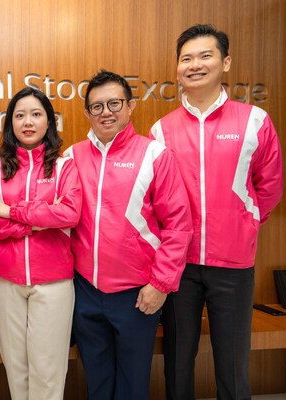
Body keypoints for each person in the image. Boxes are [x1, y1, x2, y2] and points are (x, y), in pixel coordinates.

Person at [150, 24, 284, 400]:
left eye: (205, 56)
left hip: (234, 263)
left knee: (233, 361)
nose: (195, 65)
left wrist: (247, 221)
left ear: (225, 63)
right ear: (177, 68)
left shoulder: (254, 121)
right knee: (178, 359)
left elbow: (269, 186)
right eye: (186, 58)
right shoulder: (161, 130)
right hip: (180, 264)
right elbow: (156, 198)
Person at [65, 70, 193, 400]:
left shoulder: (155, 155)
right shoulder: (71, 157)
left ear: (130, 106)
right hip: (85, 290)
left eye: (114, 103)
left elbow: (178, 225)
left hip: (138, 294)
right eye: (97, 106)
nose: (106, 112)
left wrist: (160, 285)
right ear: (86, 113)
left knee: (133, 383)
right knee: (96, 379)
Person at [0, 87, 82, 400]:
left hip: (53, 282)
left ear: (49, 122)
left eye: (36, 114)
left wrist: (13, 212)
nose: (28, 121)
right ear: (10, 123)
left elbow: (69, 214)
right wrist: (37, 222)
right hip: (5, 280)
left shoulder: (64, 166)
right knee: (16, 368)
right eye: (20, 115)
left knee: (48, 369)